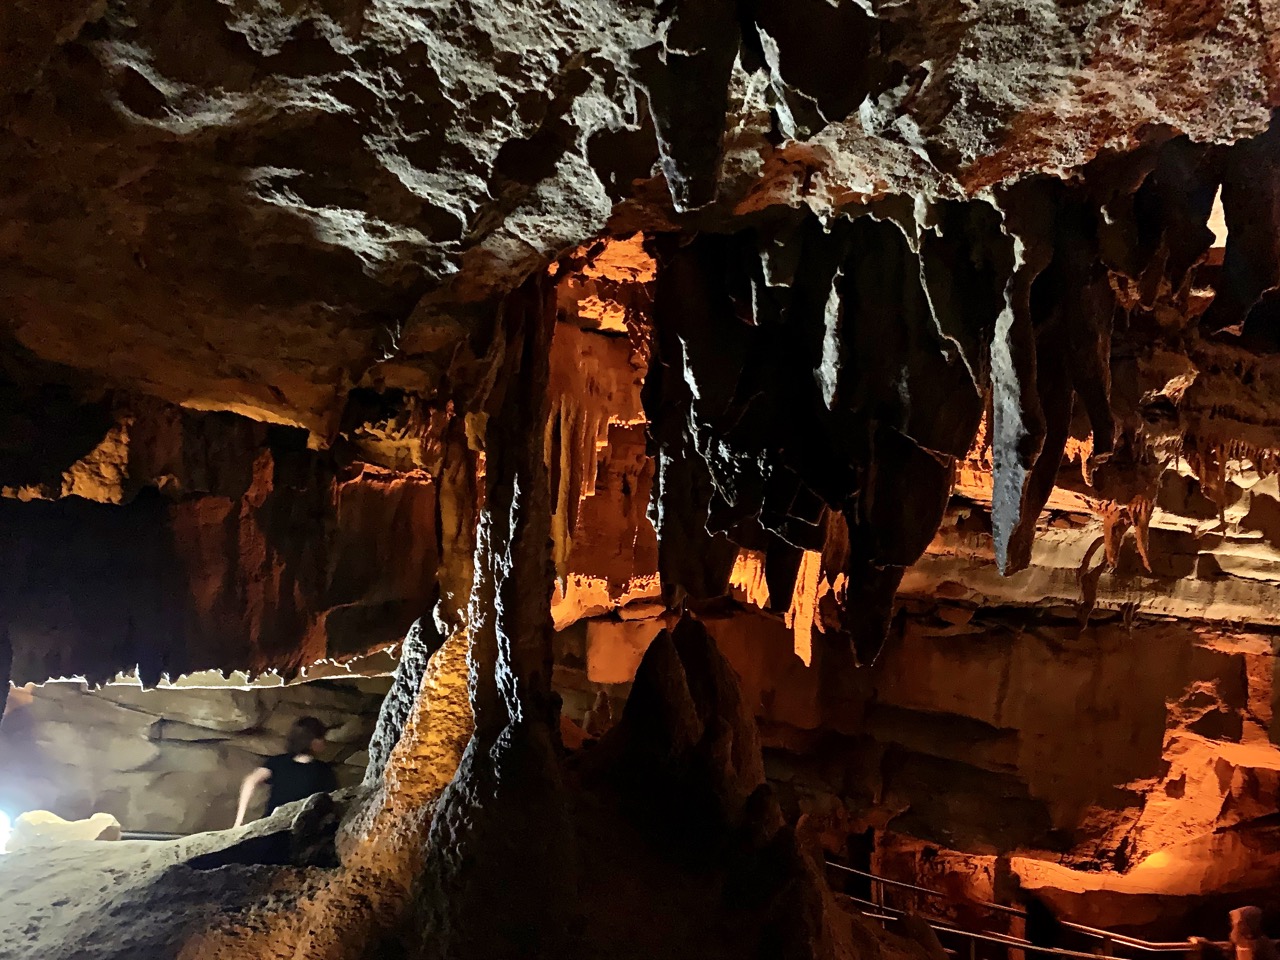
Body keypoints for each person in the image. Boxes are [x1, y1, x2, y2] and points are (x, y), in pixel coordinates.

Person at [233, 716, 338, 827]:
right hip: (299, 830)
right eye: (321, 737)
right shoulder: (323, 771)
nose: (325, 742)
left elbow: (251, 780)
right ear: (313, 741)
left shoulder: (279, 762)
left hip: (271, 826)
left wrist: (239, 821)